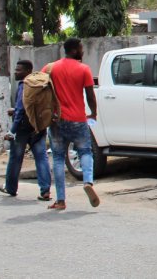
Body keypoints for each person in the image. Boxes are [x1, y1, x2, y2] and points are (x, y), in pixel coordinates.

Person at [47, 38, 100, 210]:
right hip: (78, 119)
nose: (83, 51)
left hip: (56, 120)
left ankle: (61, 200)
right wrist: (93, 113)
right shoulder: (83, 69)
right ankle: (88, 182)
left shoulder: (51, 68)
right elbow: (90, 95)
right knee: (85, 151)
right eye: (81, 48)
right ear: (75, 50)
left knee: (57, 157)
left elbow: (41, 88)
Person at [0, 60, 52, 201]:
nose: (15, 72)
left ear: (27, 71)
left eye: (18, 70)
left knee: (15, 158)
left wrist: (12, 130)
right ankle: (45, 190)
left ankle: (10, 187)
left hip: (22, 128)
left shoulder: (25, 85)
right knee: (41, 158)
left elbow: (21, 109)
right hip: (38, 127)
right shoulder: (40, 84)